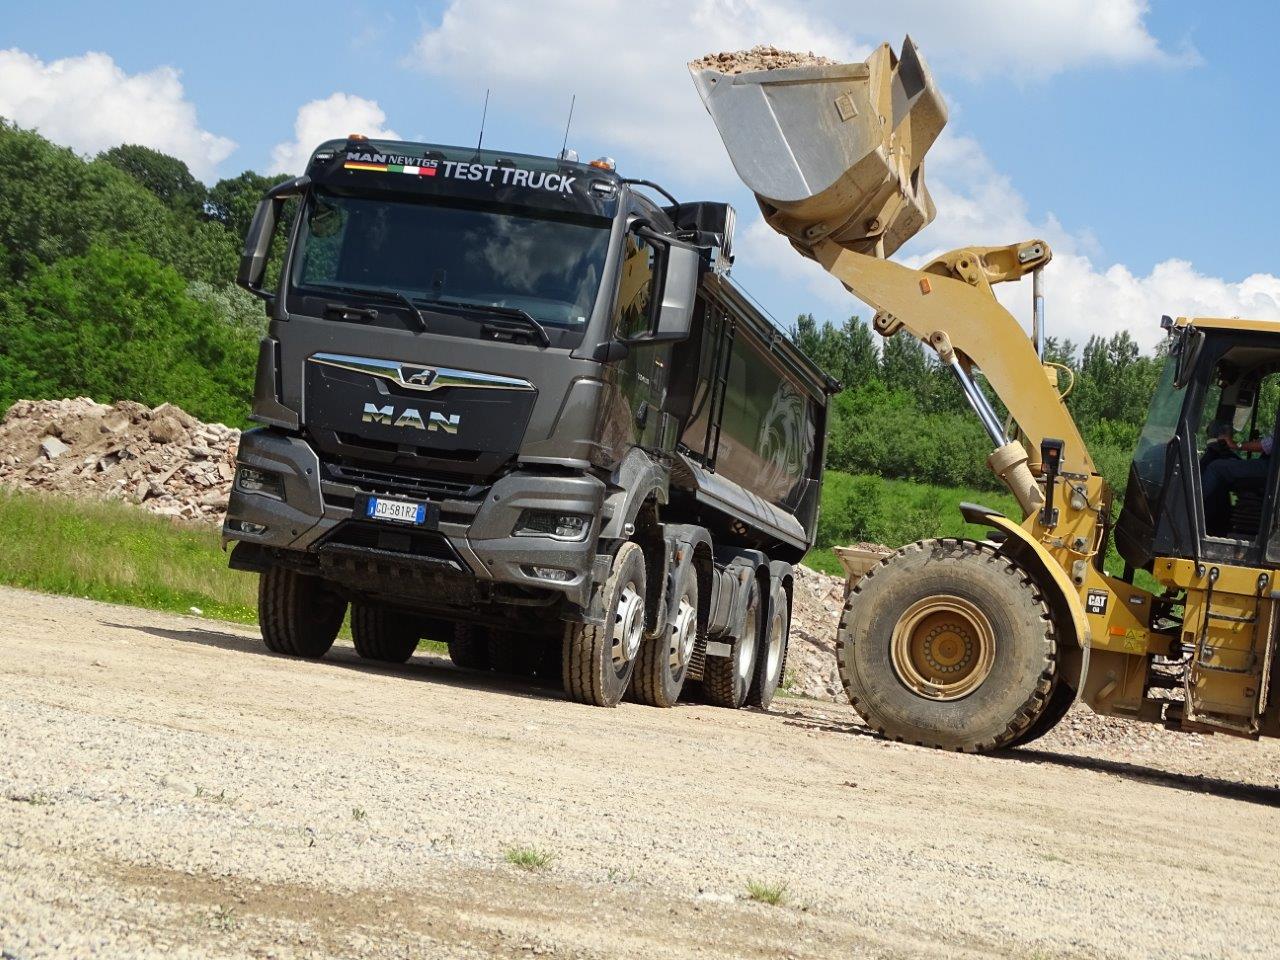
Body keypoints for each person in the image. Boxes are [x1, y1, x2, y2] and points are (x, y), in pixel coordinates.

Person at [1201, 424, 1272, 536]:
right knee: (1230, 464)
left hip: (1272, 468)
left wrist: (1235, 444)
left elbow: (1268, 445)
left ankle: (1190, 513)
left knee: (1216, 468)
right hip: (1270, 465)